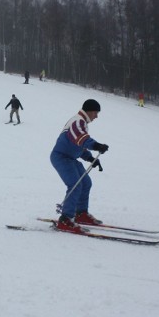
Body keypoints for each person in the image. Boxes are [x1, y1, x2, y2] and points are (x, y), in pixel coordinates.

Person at [50, 99, 109, 233]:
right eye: (96, 113)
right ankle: (66, 219)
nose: (96, 116)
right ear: (89, 111)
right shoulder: (77, 121)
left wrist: (90, 158)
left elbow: (78, 144)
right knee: (75, 184)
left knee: (86, 182)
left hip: (70, 158)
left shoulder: (81, 123)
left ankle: (80, 213)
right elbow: (81, 138)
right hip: (61, 157)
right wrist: (96, 145)